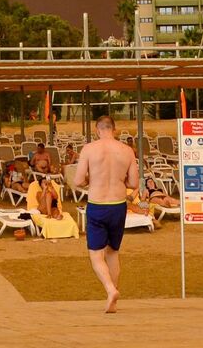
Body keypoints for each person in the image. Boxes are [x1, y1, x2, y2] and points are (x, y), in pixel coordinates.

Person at [72, 115, 140, 313]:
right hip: (118, 205)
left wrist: (89, 181)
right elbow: (134, 183)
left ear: (97, 130)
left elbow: (77, 181)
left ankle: (110, 289)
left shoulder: (89, 149)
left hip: (97, 203)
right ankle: (114, 300)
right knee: (113, 251)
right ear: (114, 130)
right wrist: (120, 181)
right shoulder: (127, 151)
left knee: (95, 254)